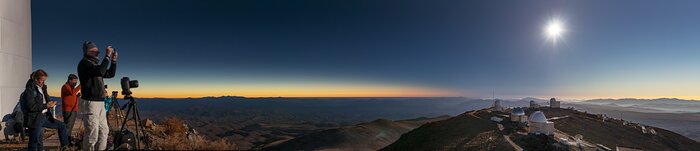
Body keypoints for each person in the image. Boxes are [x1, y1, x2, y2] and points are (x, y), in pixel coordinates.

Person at [77, 41, 117, 150]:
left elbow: (110, 74)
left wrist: (113, 61)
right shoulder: (84, 63)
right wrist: (107, 56)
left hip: (100, 102)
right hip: (91, 103)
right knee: (92, 134)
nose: (98, 52)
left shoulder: (93, 65)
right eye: (95, 51)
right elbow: (100, 71)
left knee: (104, 130)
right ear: (87, 51)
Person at [21, 69, 69, 151]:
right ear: (36, 79)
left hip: (45, 116)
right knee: (34, 143)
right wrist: (46, 105)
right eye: (42, 80)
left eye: (44, 81)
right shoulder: (30, 90)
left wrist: (50, 103)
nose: (43, 82)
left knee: (62, 126)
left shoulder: (42, 88)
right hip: (35, 118)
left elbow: (44, 100)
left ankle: (65, 147)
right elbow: (31, 106)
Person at [60, 74, 81, 141]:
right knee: (68, 126)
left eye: (76, 81)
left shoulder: (71, 87)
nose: (76, 83)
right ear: (70, 80)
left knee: (70, 126)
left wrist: (76, 96)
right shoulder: (65, 86)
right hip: (68, 110)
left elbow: (71, 95)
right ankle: (66, 142)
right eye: (74, 81)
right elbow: (72, 93)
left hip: (73, 109)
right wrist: (81, 85)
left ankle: (68, 140)